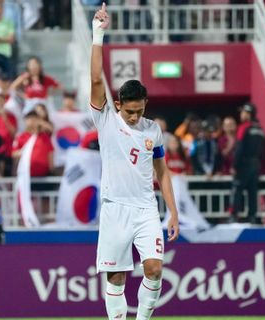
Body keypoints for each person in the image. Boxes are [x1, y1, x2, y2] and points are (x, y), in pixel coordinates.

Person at [89, 5, 179, 320]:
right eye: (130, 111)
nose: (135, 116)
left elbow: (162, 172)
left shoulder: (152, 129)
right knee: (117, 277)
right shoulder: (106, 120)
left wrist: (173, 212)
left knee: (154, 268)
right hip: (115, 208)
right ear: (118, 106)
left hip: (145, 209)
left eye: (139, 110)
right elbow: (97, 82)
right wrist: (97, 35)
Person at [229, 103, 265, 224]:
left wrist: (234, 165)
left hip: (244, 164)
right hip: (256, 164)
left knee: (237, 189)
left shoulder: (244, 127)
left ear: (248, 114)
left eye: (243, 112)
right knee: (252, 191)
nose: (241, 114)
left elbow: (239, 147)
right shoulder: (260, 129)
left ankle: (234, 216)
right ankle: (252, 216)